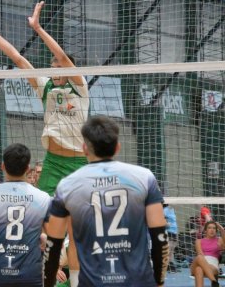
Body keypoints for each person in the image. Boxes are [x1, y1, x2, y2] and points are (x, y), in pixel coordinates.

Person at [0, 2, 88, 284]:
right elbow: (18, 58)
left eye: (57, 64)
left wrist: (38, 28)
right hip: (53, 162)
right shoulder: (46, 86)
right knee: (43, 224)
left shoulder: (79, 86)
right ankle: (46, 272)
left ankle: (76, 280)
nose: (53, 66)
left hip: (77, 164)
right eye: (52, 65)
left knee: (78, 229)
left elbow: (62, 56)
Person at [43, 115, 169, 287]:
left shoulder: (67, 185)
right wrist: (160, 282)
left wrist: (48, 283)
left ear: (84, 148)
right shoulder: (144, 178)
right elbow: (160, 236)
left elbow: (53, 244)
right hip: (138, 280)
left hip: (93, 281)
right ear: (117, 147)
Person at [0, 143, 51, 287]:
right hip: (31, 276)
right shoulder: (44, 198)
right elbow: (54, 239)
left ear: (2, 166)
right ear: (27, 169)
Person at [190, 220, 225, 287]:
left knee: (199, 269)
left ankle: (214, 283)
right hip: (200, 261)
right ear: (205, 230)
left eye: (214, 228)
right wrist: (205, 264)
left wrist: (221, 229)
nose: (212, 230)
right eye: (209, 228)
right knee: (199, 257)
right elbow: (200, 253)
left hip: (212, 265)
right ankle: (214, 281)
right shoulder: (198, 241)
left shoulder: (219, 240)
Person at [163, 203, 180, 272]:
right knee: (169, 249)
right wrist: (166, 224)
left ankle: (172, 264)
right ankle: (166, 265)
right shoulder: (165, 210)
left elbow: (174, 222)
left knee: (172, 249)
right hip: (168, 231)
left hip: (174, 232)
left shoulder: (173, 210)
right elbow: (161, 219)